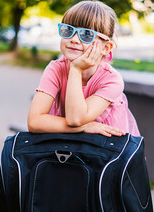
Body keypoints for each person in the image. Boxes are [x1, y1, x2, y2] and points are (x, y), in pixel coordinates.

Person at [27, 0, 140, 137]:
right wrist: (85, 127)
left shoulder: (111, 80)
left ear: (106, 47)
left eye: (86, 34)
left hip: (104, 152)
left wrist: (75, 69)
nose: (74, 39)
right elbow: (34, 121)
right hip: (66, 149)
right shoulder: (55, 69)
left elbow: (76, 119)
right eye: (68, 30)